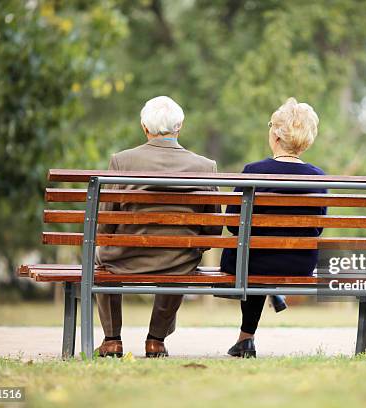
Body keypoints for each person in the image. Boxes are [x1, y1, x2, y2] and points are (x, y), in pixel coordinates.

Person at [95, 96, 222, 358]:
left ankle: (112, 340)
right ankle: (156, 340)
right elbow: (212, 232)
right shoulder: (205, 166)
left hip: (125, 259)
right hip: (178, 259)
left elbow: (105, 226)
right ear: (180, 127)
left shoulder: (121, 161)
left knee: (101, 258)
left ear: (144, 127)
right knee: (177, 260)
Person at [220, 97, 327, 358]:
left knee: (251, 251)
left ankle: (247, 339)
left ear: (276, 136)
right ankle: (270, 293)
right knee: (262, 251)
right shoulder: (318, 177)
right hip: (299, 263)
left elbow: (233, 224)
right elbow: (318, 229)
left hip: (252, 262)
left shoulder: (253, 171)